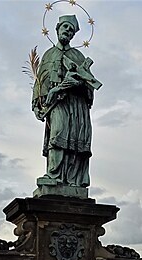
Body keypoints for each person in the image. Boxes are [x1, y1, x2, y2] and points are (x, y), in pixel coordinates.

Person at [32, 14, 101, 190]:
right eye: (65, 28)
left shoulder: (78, 55)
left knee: (75, 139)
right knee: (58, 133)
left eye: (71, 30)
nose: (68, 32)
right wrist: (38, 105)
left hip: (76, 105)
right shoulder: (49, 55)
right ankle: (54, 174)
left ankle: (73, 180)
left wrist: (78, 84)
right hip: (57, 103)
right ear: (57, 29)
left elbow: (89, 83)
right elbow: (40, 82)